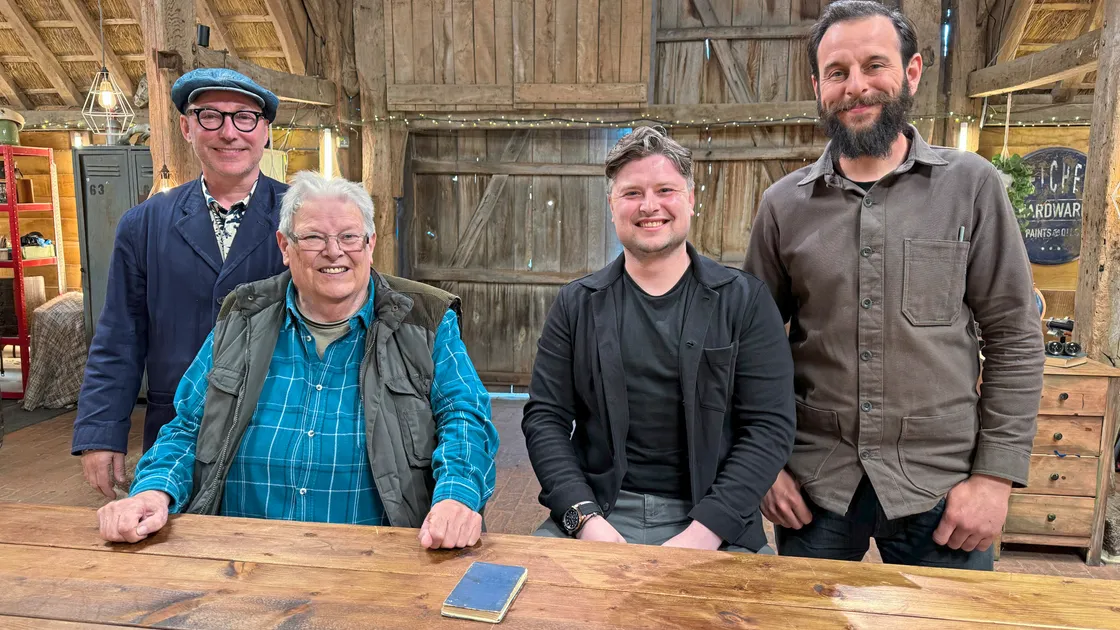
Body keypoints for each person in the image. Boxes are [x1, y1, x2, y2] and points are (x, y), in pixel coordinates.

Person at [745, 0, 1044, 570]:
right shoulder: (783, 206)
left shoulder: (972, 187)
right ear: (818, 86)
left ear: (912, 71)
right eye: (837, 72)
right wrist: (766, 467)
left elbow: (1014, 337)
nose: (856, 86)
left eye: (874, 65)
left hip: (945, 488)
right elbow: (749, 350)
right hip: (817, 487)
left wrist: (995, 478)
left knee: (949, 614)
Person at [95, 171, 499, 550]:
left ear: (370, 244)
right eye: (313, 238)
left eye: (349, 236)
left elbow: (464, 417)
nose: (334, 251)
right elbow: (188, 426)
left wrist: (456, 496)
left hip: (378, 560)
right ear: (285, 247)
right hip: (241, 557)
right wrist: (153, 491)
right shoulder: (243, 316)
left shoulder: (424, 320)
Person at [522, 126, 795, 552]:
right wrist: (584, 518)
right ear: (612, 206)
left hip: (714, 520)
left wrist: (705, 532)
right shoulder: (576, 305)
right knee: (534, 592)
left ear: (690, 199)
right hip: (601, 511)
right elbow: (545, 418)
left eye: (665, 190)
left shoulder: (744, 301)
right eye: (632, 193)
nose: (649, 206)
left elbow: (769, 426)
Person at [73, 68, 290, 499]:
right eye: (210, 116)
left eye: (245, 117)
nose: (229, 132)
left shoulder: (304, 217)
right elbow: (119, 337)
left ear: (265, 131)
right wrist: (100, 431)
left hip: (277, 430)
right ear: (187, 127)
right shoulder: (144, 224)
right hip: (174, 434)